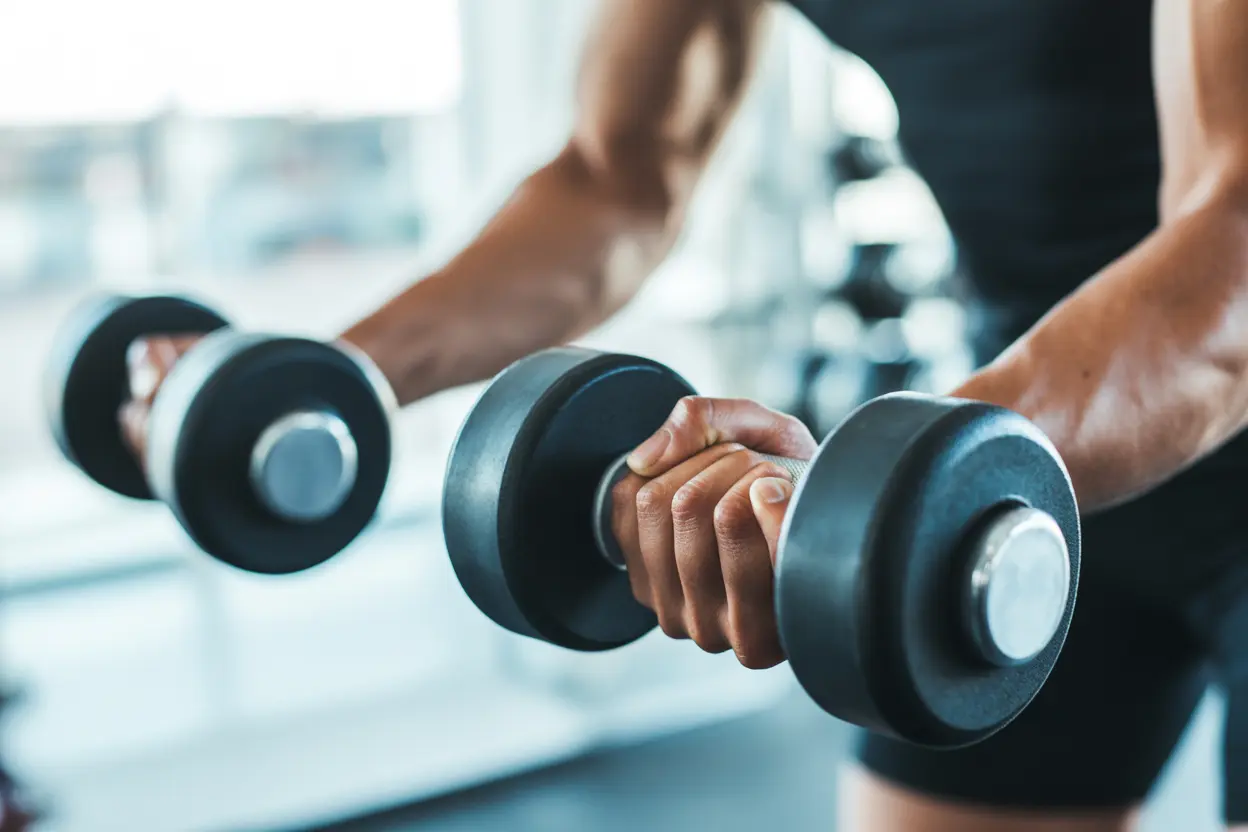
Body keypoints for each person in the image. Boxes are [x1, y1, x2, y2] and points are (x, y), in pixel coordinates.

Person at [120, 1, 1248, 828]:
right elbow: (616, 180)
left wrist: (887, 486)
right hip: (1027, 450)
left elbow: (1228, 255)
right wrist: (323, 380)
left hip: (1093, 416)